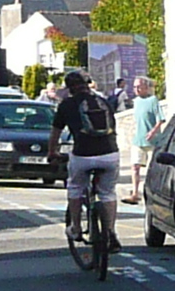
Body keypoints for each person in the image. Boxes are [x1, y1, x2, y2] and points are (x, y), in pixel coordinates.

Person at [51, 69, 122, 239]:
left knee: (75, 188)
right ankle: (111, 232)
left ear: (69, 88)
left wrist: (52, 152)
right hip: (109, 153)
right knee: (108, 193)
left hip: (83, 154)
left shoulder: (67, 105)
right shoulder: (103, 102)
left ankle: (76, 228)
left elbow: (55, 133)